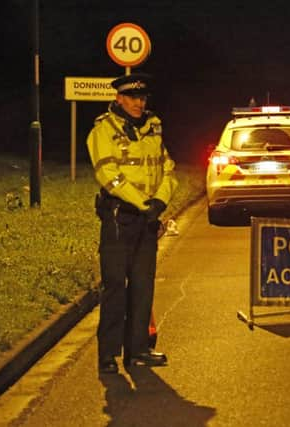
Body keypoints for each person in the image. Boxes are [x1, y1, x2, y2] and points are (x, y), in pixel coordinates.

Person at [86, 73, 179, 374]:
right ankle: (108, 355)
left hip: (148, 218)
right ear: (119, 99)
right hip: (119, 217)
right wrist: (143, 204)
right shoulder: (103, 130)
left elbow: (168, 169)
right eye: (133, 98)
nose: (139, 103)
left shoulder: (153, 127)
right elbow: (107, 174)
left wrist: (161, 201)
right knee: (115, 285)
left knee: (142, 285)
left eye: (143, 98)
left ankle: (138, 350)